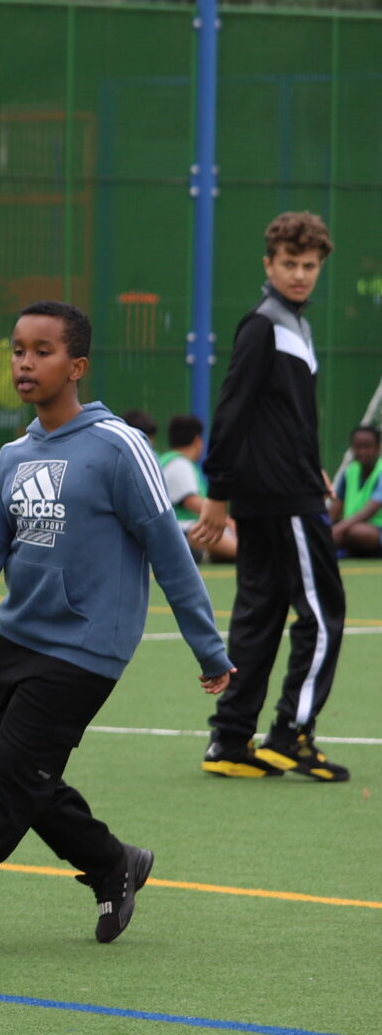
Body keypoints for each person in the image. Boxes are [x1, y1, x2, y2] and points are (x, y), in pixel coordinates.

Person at [0, 302, 231, 954]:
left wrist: (208, 647)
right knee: (25, 780)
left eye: (42, 350)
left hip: (87, 647)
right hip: (18, 637)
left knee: (6, 782)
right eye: (19, 349)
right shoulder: (10, 458)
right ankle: (114, 863)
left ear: (76, 366)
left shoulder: (119, 447)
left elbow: (169, 550)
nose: (25, 361)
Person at [192, 211, 347, 782]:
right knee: (324, 615)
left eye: (309, 266)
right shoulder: (264, 325)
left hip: (287, 488)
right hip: (281, 500)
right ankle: (291, 734)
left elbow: (286, 419)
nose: (301, 275)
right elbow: (232, 409)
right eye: (290, 264)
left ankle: (230, 741)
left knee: (259, 617)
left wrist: (317, 469)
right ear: (269, 264)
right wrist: (216, 492)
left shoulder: (294, 325)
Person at [154, 413, 232, 561]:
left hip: (177, 530)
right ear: (197, 441)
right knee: (206, 531)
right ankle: (248, 554)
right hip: (179, 529)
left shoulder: (169, 461)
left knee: (212, 531)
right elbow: (192, 502)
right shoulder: (179, 464)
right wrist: (228, 521)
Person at [333, 424, 382, 558]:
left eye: (367, 447)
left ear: (378, 448)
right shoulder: (350, 472)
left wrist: (338, 529)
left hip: (373, 531)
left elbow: (370, 510)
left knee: (356, 532)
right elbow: (335, 509)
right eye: (358, 447)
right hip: (350, 527)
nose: (362, 452)